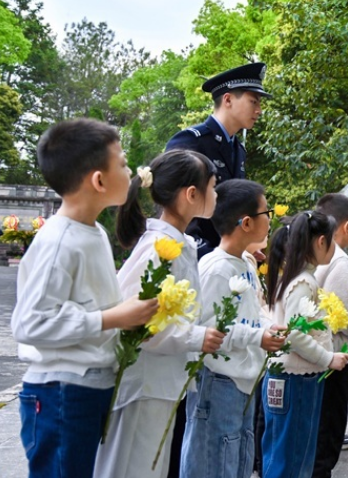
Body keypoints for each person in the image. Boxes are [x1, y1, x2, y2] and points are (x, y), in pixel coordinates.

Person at [11, 118, 159, 478]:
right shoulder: (60, 242)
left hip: (82, 387)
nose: (130, 171)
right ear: (98, 180)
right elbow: (30, 323)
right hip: (61, 392)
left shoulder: (90, 234)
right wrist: (114, 319)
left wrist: (130, 322)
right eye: (122, 163)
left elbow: (92, 308)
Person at [94, 149, 226, 478]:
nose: (217, 195)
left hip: (158, 383)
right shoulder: (159, 248)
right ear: (191, 195)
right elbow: (135, 322)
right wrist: (196, 336)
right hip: (145, 385)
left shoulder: (176, 244)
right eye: (213, 187)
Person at [180, 179, 286, 478]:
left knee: (238, 453)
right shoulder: (216, 268)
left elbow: (250, 312)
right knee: (215, 458)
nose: (270, 219)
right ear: (247, 222)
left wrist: (268, 327)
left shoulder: (245, 265)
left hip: (242, 378)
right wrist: (258, 337)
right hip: (219, 381)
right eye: (267, 213)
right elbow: (211, 329)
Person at [262, 211, 348, 478]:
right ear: (321, 241)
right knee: (293, 459)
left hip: (290, 378)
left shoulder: (295, 277)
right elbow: (294, 334)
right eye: (332, 242)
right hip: (296, 380)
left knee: (283, 456)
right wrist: (328, 358)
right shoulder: (304, 281)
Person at [165, 61, 272, 259]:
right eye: (253, 101)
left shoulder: (238, 149)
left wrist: (244, 245)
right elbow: (177, 206)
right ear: (228, 100)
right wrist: (206, 254)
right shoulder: (191, 141)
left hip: (225, 259)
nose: (259, 110)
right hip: (194, 258)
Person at [311, 194, 348, 478]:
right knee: (327, 439)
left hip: (317, 358)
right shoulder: (339, 260)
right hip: (334, 362)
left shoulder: (319, 253)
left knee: (318, 435)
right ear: (347, 226)